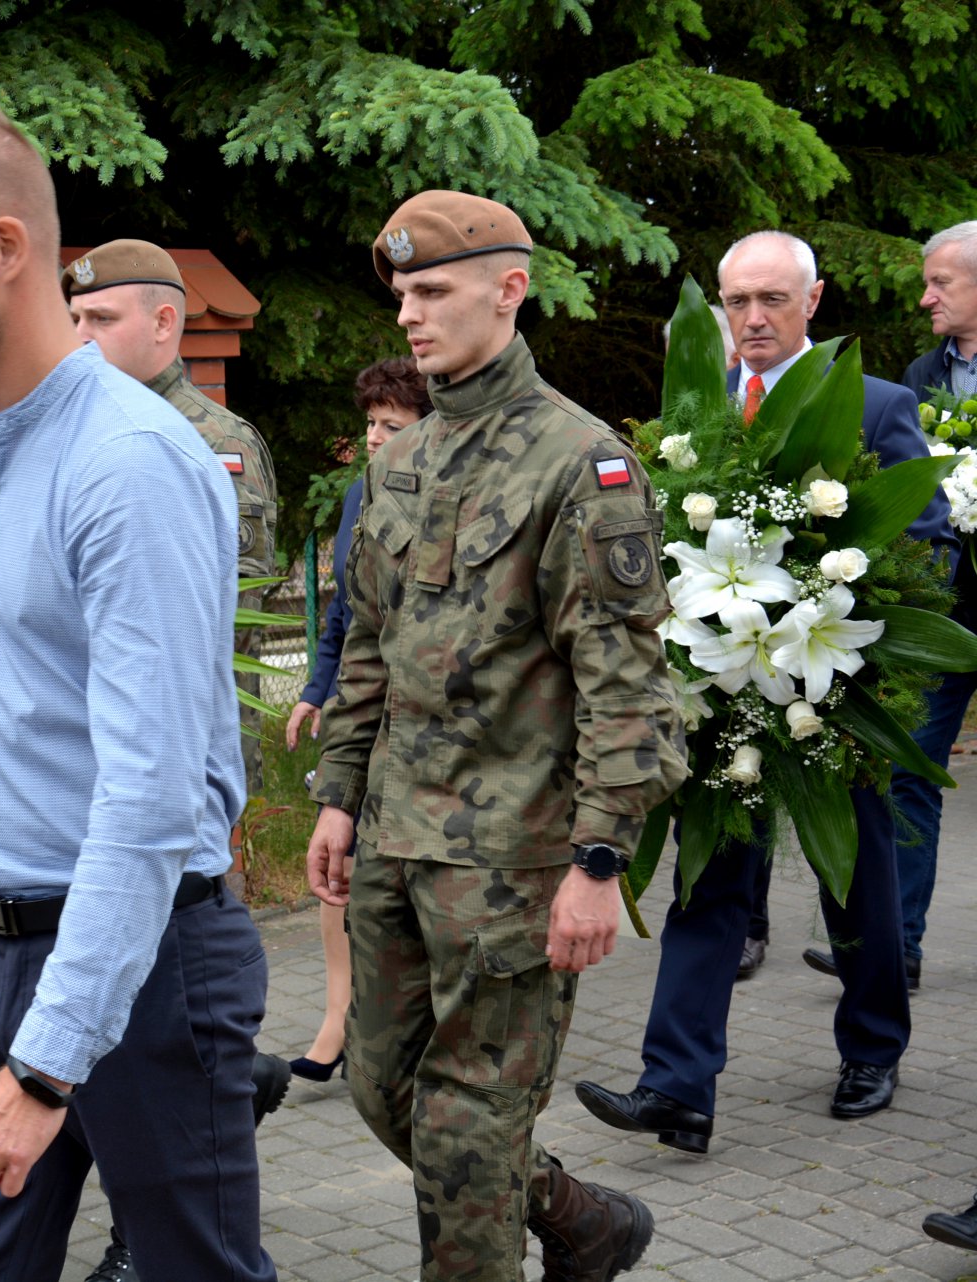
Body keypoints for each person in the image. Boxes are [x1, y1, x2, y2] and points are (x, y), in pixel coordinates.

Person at [0, 106, 275, 1282]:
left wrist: (43, 1067)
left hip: (151, 964)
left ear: (4, 247)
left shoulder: (129, 464)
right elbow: (0, 751)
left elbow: (149, 793)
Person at [305, 189, 686, 1282]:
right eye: (401, 294)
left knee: (471, 1121)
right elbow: (368, 644)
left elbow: (626, 683)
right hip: (395, 837)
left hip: (513, 856)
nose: (408, 315)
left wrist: (599, 861)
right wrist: (338, 795)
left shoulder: (581, 461)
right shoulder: (399, 460)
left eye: (432, 291)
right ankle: (578, 1217)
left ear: (509, 289)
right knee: (384, 1088)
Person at [575, 230, 956, 1157]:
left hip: (830, 694)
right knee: (707, 879)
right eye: (737, 301)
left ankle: (873, 1048)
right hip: (720, 689)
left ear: (811, 301)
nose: (752, 318)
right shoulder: (693, 408)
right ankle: (677, 1087)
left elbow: (928, 545)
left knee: (856, 879)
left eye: (772, 300)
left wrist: (832, 602)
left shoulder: (875, 404)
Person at [61, 238, 292, 1282]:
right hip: (89, 764)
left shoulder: (213, 441)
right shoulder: (67, 431)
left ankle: (148, 1223)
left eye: (102, 320)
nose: (81, 339)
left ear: (166, 324)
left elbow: (232, 605)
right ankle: (224, 1098)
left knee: (168, 982)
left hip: (183, 757)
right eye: (74, 320)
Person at [282, 357, 429, 1084]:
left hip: (425, 721)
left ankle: (409, 1027)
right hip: (358, 708)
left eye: (391, 426)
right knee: (335, 860)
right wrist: (315, 690)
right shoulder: (357, 497)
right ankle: (337, 1019)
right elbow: (344, 609)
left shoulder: (448, 497)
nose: (373, 438)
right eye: (370, 423)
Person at [873, 219, 977, 992]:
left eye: (940, 282)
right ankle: (894, 947)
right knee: (909, 767)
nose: (925, 297)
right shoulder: (919, 373)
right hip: (946, 615)